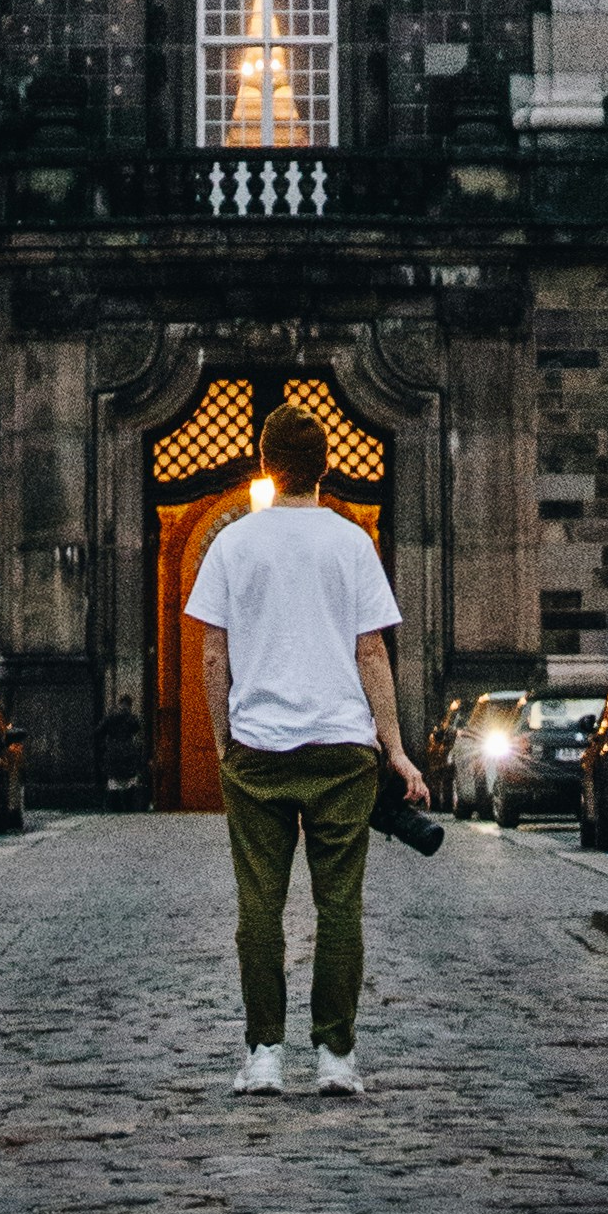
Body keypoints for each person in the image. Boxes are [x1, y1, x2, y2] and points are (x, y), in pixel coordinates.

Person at [187, 407, 431, 1099]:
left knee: (258, 908)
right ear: (325, 465)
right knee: (339, 906)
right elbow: (370, 651)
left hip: (259, 749)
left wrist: (221, 740)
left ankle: (264, 1053)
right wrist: (397, 750)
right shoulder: (351, 543)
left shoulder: (232, 545)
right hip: (341, 751)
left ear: (264, 465)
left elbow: (212, 652)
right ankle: (335, 1056)